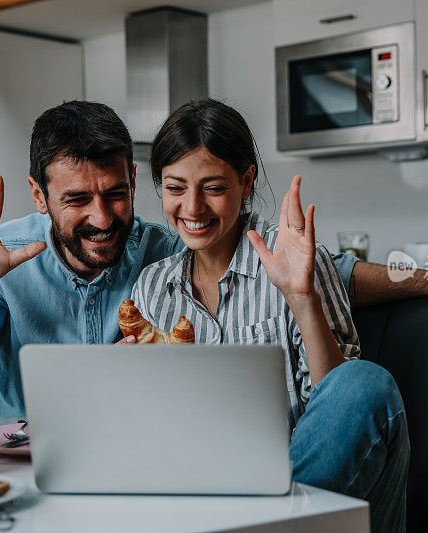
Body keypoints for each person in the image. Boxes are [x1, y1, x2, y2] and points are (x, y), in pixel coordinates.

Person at [0, 99, 428, 418]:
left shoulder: (160, 250)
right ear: (39, 196)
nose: (102, 216)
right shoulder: (6, 258)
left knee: (359, 384)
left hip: (148, 460)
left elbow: (329, 274)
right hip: (28, 460)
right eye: (77, 200)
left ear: (135, 184)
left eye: (117, 194)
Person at [130, 99, 407, 532]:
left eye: (214, 188)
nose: (193, 208)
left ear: (246, 180)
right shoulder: (151, 288)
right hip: (207, 496)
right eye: (175, 187)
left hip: (312, 496)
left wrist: (302, 297)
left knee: (363, 383)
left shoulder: (294, 256)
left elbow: (341, 414)